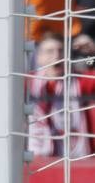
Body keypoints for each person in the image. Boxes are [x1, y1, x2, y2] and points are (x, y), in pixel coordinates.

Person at [27, 31, 95, 159]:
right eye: (50, 51)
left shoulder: (80, 81)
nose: (57, 55)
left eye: (60, 50)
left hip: (75, 159)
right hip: (38, 160)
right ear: (39, 58)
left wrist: (92, 55)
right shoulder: (27, 83)